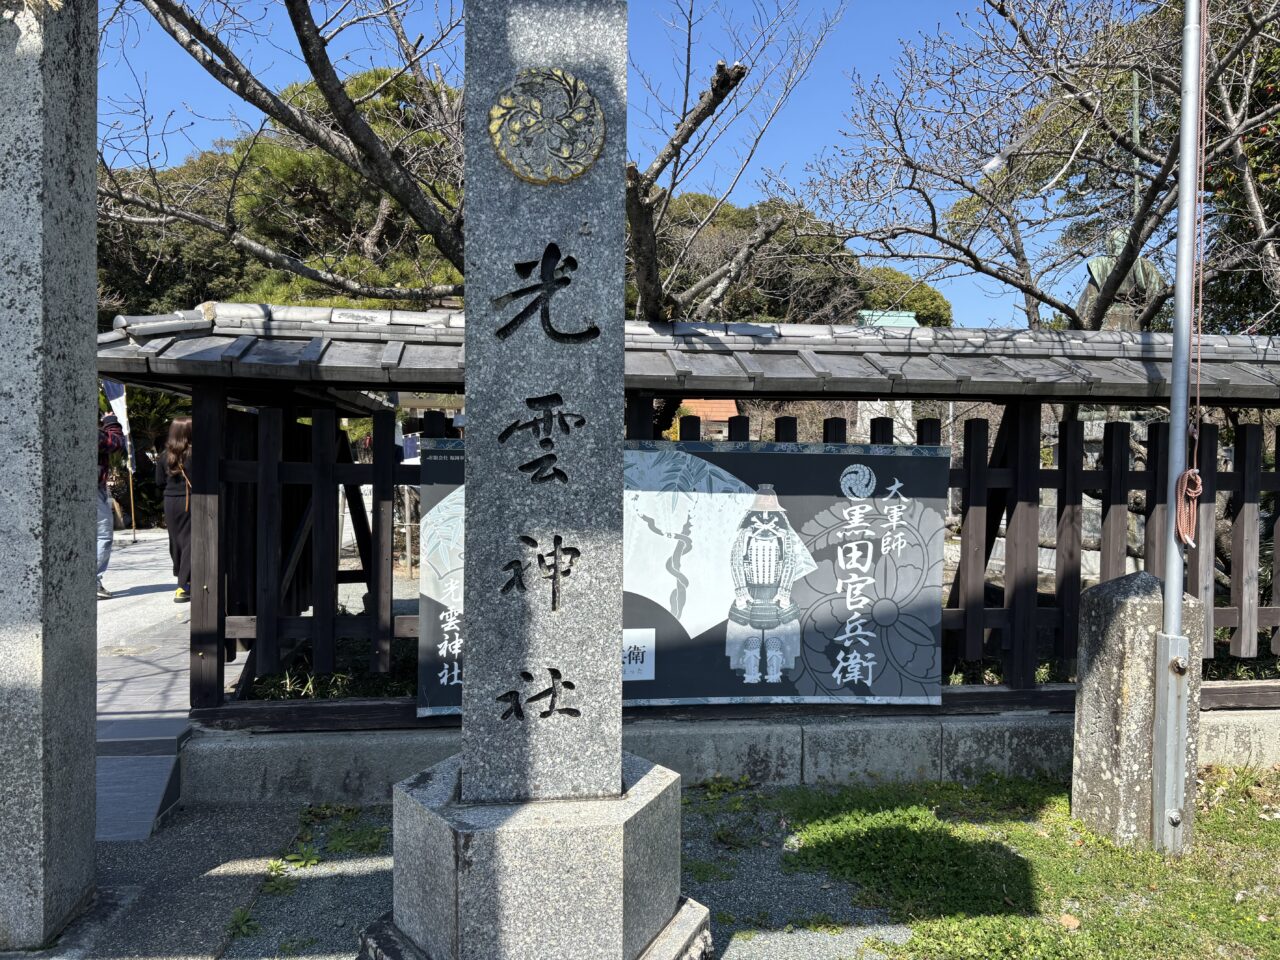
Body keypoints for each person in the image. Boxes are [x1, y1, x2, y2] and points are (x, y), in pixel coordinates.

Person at [156, 417, 193, 603]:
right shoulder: (194, 454)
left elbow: (159, 481)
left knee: (176, 540)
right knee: (190, 541)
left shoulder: (165, 455)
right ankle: (183, 585)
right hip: (189, 500)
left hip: (170, 501)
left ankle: (182, 576)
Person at [97, 412, 126, 599]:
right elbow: (116, 443)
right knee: (103, 535)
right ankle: (91, 580)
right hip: (92, 489)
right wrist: (111, 421)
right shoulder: (92, 432)